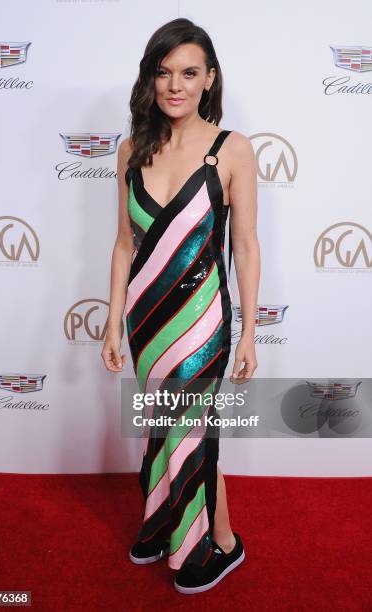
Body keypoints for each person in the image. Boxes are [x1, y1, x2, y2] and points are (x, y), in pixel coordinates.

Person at [101, 17, 260, 594]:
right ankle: (172, 526)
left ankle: (219, 543)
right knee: (167, 427)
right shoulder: (129, 150)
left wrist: (246, 332)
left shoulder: (232, 150)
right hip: (147, 322)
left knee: (194, 431)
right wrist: (114, 323)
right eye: (164, 72)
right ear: (150, 79)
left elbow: (244, 245)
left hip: (203, 322)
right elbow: (124, 244)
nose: (176, 85)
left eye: (190, 72)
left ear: (210, 79)